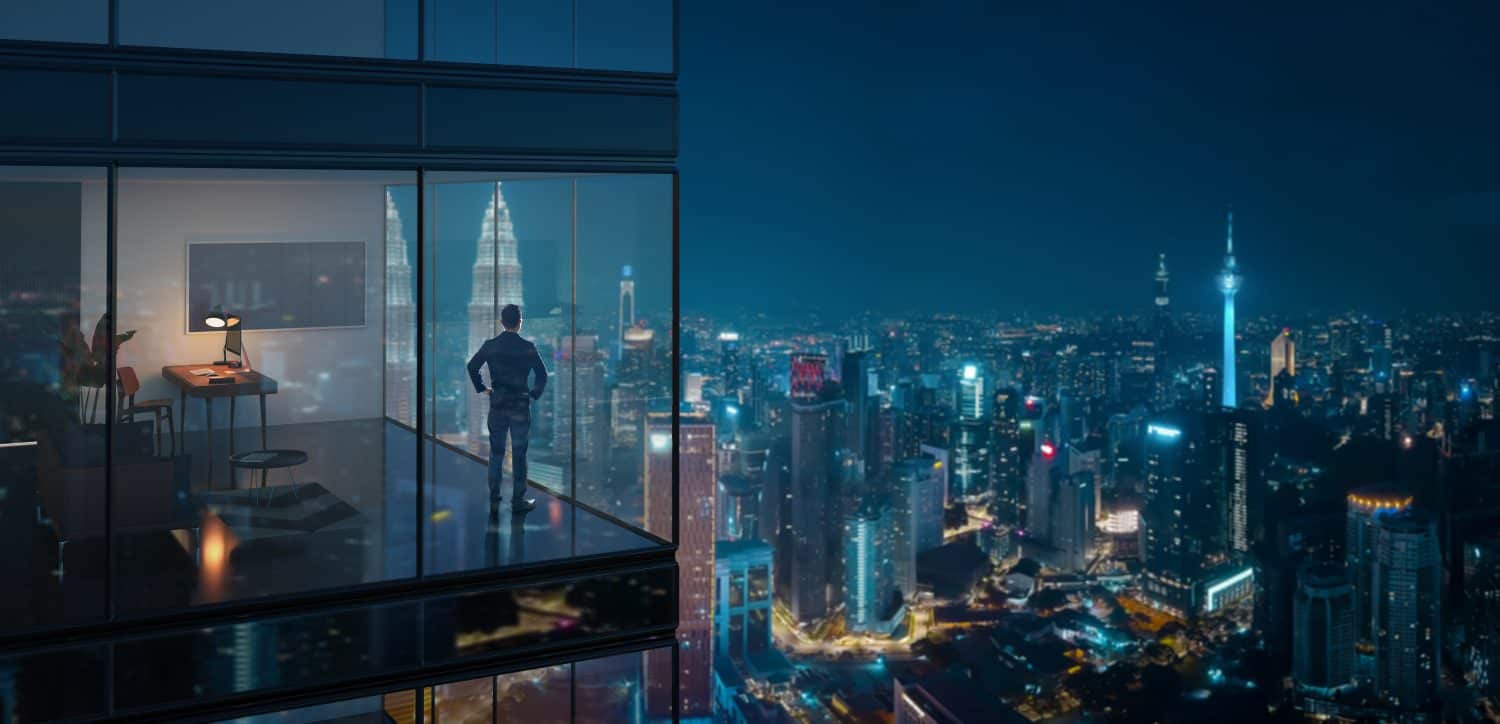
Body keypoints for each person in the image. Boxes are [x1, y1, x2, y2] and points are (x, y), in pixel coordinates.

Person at [467, 304, 548, 512]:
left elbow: (472, 366)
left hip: (498, 404)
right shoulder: (528, 347)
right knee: (520, 453)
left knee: (497, 452)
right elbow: (542, 375)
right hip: (520, 405)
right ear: (520, 323)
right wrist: (533, 394)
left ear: (501, 322)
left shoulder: (491, 345)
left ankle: (495, 496)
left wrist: (483, 388)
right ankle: (518, 501)